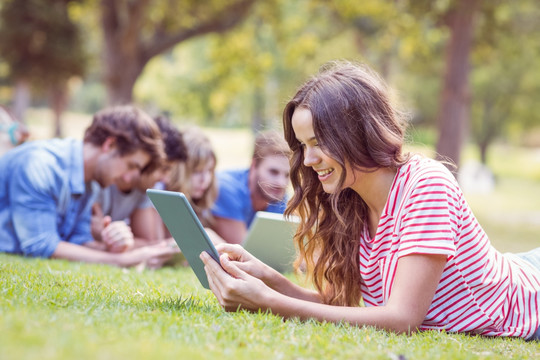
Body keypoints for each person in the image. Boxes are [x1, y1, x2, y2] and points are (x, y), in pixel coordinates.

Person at [200, 61, 540, 340]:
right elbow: (334, 305)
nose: (307, 159)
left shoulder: (425, 185)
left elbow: (402, 318)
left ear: (357, 133)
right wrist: (265, 278)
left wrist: (271, 303)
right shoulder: (346, 201)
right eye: (303, 146)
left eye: (318, 142)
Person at [0, 105, 178, 268]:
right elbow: (40, 245)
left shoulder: (90, 181)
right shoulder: (40, 165)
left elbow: (77, 240)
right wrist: (120, 260)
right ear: (110, 145)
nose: (129, 177)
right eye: (131, 165)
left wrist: (112, 247)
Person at [91, 115, 187, 248]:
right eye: (164, 169)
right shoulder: (103, 177)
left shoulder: (143, 189)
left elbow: (148, 243)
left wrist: (120, 241)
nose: (166, 179)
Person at [211, 130, 291, 244]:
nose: (281, 183)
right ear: (254, 165)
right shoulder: (227, 187)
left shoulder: (278, 197)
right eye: (273, 172)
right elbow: (244, 252)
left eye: (287, 175)